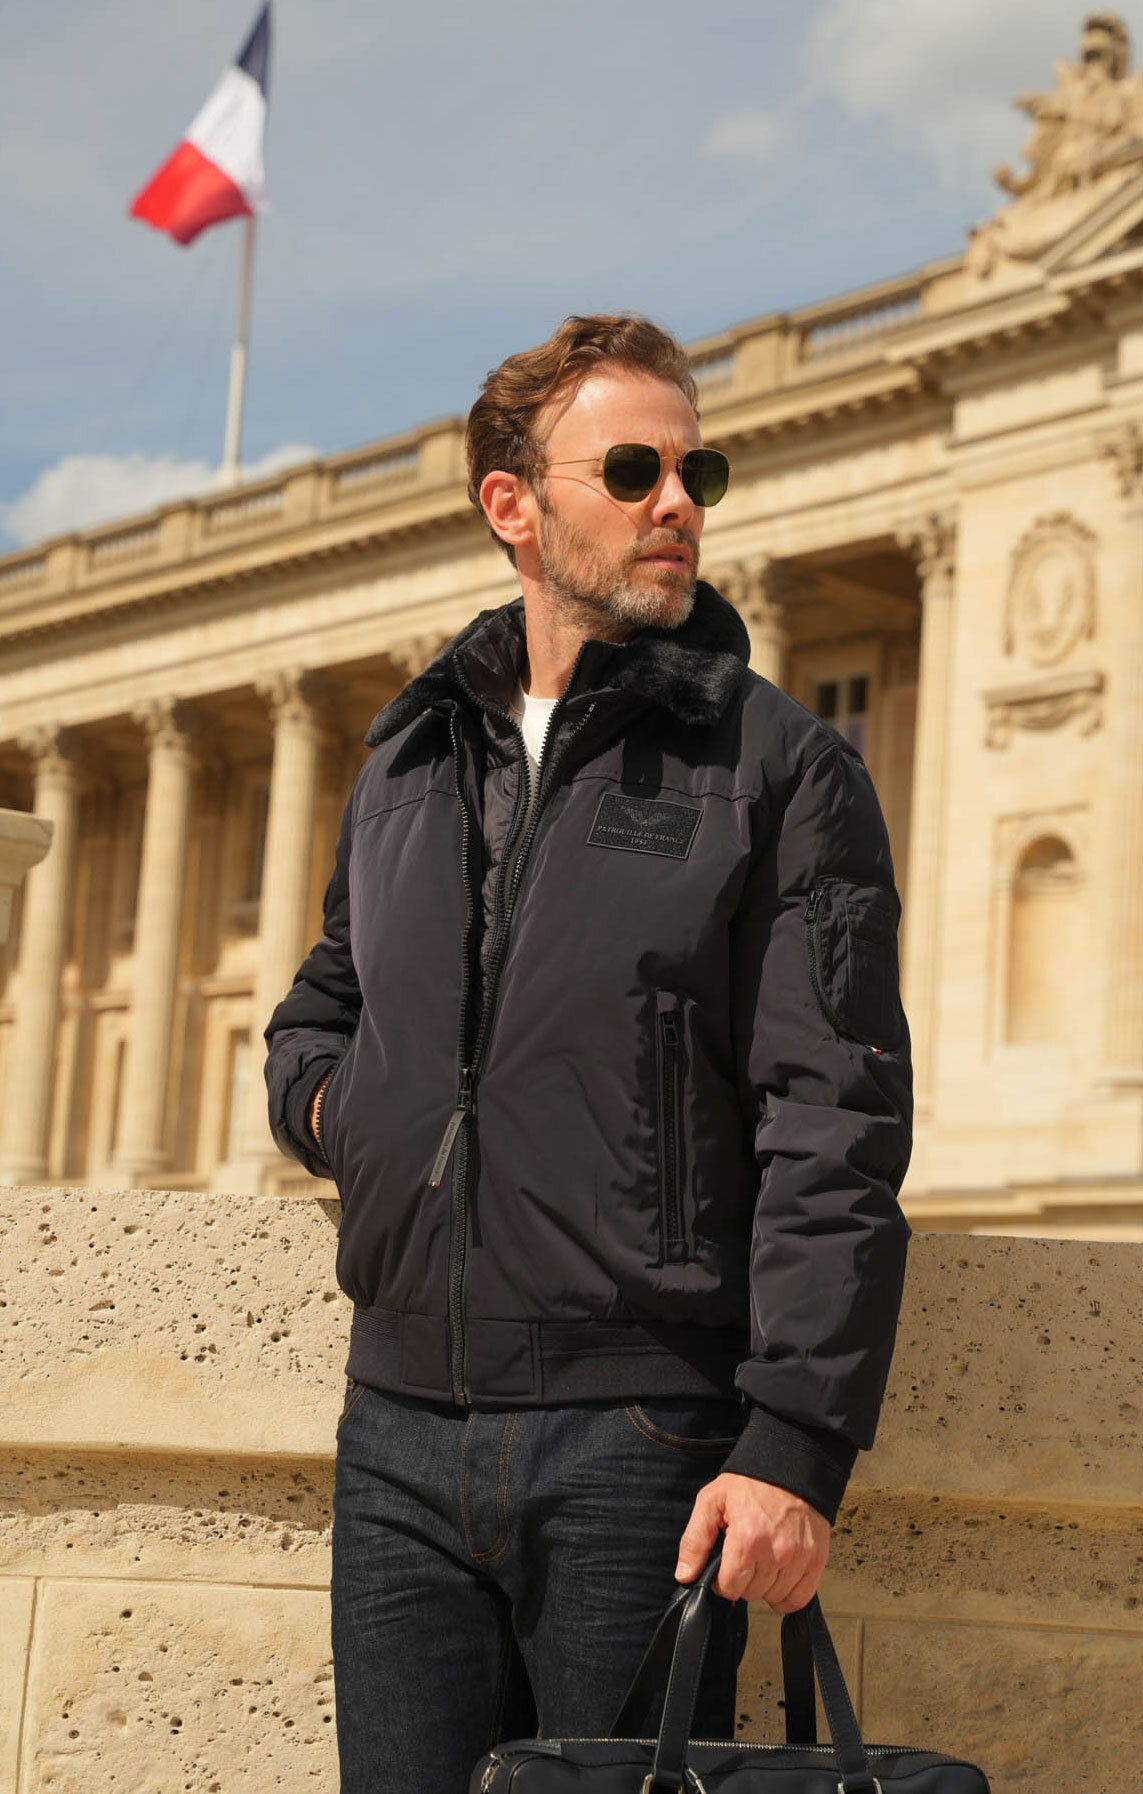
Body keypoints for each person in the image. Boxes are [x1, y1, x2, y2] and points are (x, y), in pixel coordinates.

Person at [264, 313, 912, 1794]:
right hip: (395, 1430)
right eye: (632, 471)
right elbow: (319, 1008)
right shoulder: (409, 757)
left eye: (698, 472)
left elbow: (835, 1118)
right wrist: (348, 1112)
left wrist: (797, 1442)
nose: (677, 502)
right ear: (513, 505)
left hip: (644, 1441)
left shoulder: (783, 765)